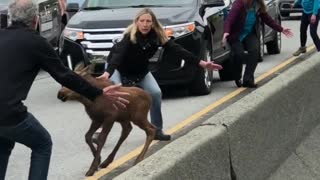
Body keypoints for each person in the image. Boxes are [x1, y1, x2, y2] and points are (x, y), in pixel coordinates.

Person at [0, 0, 129, 180]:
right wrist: (97, 92)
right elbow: (64, 76)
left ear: (10, 18)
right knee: (42, 144)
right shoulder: (36, 42)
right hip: (9, 113)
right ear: (36, 20)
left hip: (4, 114)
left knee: (3, 145)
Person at [97, 8, 223, 141]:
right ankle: (100, 131)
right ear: (137, 22)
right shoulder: (129, 37)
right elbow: (117, 56)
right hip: (116, 68)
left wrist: (201, 63)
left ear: (153, 23)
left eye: (148, 21)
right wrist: (107, 73)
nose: (145, 24)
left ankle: (157, 130)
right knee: (115, 96)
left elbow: (177, 50)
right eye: (142, 21)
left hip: (140, 71)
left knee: (156, 93)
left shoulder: (156, 36)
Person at [222, 0, 293, 88]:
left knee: (254, 51)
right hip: (236, 34)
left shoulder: (258, 5)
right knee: (239, 55)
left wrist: (281, 29)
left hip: (250, 33)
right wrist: (226, 32)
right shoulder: (239, 4)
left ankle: (248, 80)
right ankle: (237, 76)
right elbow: (230, 19)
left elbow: (267, 19)